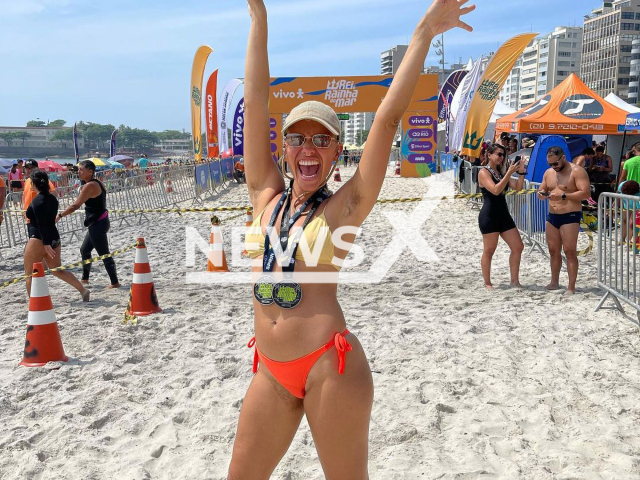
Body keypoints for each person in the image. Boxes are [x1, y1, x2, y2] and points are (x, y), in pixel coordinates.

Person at [230, 0, 474, 478]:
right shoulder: (264, 193)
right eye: (298, 138)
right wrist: (259, 18)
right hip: (271, 371)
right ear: (283, 147)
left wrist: (423, 31)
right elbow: (256, 99)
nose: (308, 148)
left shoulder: (344, 207)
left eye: (321, 140)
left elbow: (385, 119)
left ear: (336, 151)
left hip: (329, 367)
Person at [23, 170, 90, 300]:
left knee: (29, 274)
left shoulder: (37, 201)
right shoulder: (53, 199)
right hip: (55, 237)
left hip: (39, 238)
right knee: (57, 270)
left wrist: (45, 243)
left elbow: (41, 224)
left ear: (34, 184)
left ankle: (34, 304)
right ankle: (82, 290)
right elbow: (48, 220)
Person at [56, 160, 120, 288]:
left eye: (81, 170)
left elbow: (75, 206)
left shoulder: (90, 185)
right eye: (78, 169)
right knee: (84, 250)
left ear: (90, 171)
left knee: (104, 253)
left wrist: (60, 215)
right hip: (97, 222)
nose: (78, 172)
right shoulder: (96, 183)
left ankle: (115, 282)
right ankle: (85, 279)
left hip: (98, 223)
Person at [538, 147, 591, 295]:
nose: (553, 167)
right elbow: (542, 189)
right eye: (550, 164)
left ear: (563, 157)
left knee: (569, 251)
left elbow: (585, 193)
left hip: (570, 215)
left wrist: (564, 196)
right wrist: (541, 194)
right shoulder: (549, 173)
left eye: (555, 163)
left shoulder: (577, 171)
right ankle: (554, 282)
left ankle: (571, 287)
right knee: (553, 251)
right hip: (552, 215)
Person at [477, 144, 526, 289]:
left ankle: (514, 281)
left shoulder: (500, 172)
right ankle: (487, 282)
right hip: (489, 215)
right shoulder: (484, 172)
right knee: (489, 250)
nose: (501, 157)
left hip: (503, 214)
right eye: (498, 154)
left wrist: (521, 173)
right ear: (489, 154)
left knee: (518, 247)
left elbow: (518, 187)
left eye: (503, 154)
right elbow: (495, 190)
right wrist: (509, 173)